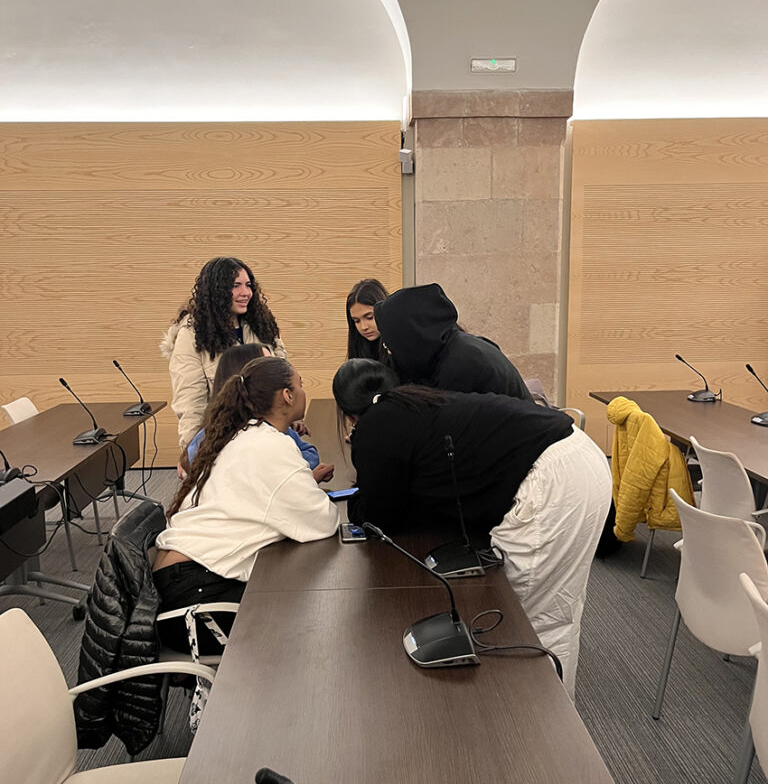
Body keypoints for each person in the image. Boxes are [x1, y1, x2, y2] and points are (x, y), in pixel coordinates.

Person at [332, 358, 612, 697]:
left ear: (349, 414)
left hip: (555, 480)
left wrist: (358, 500)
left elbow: (379, 516)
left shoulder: (375, 427)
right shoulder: (415, 401)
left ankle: (536, 719)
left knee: (525, 617)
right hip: (578, 454)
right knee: (557, 609)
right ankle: (549, 708)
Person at [153, 356, 340, 652]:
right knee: (312, 621)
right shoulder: (270, 444)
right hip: (195, 605)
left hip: (178, 582)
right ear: (287, 396)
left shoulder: (239, 433)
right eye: (300, 385)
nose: (304, 391)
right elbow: (323, 522)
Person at [160, 257, 287, 465]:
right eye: (236, 286)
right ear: (216, 291)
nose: (245, 293)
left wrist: (291, 416)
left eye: (248, 285)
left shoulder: (261, 324)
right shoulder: (191, 335)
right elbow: (190, 400)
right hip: (224, 437)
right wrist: (193, 453)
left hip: (268, 429)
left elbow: (283, 375)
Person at [186, 343, 331, 480]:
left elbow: (309, 453)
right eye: (268, 365)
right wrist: (300, 474)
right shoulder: (209, 440)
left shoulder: (275, 425)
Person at [373, 283, 532, 400]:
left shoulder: (460, 366)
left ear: (409, 337)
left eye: (391, 342)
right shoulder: (453, 347)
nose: (388, 349)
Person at [346, 278, 389, 360]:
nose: (363, 327)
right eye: (356, 321)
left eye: (369, 317)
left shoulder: (401, 348)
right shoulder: (359, 349)